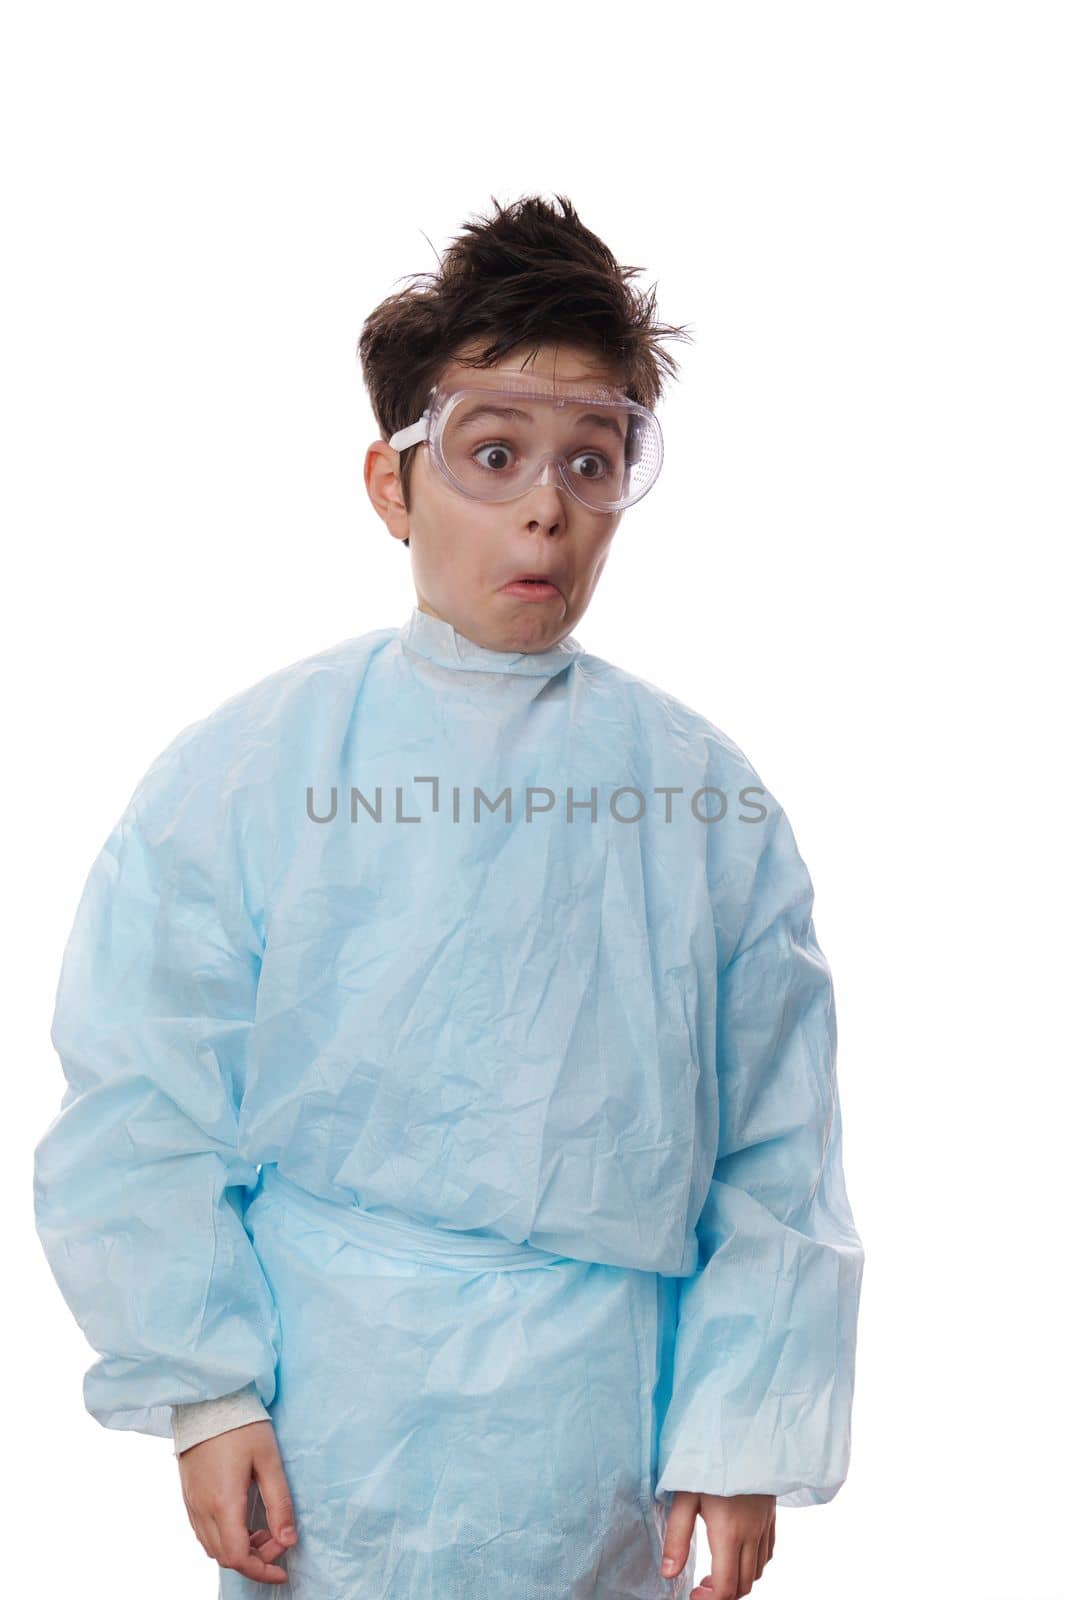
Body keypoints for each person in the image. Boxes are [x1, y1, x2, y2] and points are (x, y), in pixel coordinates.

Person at [33, 193, 864, 1599]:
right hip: (327, 1439)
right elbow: (144, 1092)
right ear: (392, 483)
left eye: (591, 462)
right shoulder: (256, 772)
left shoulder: (700, 803)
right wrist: (208, 1390)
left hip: (598, 1444)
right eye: (494, 455)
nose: (546, 505)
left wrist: (739, 1427)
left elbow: (773, 1145)